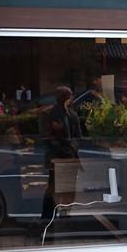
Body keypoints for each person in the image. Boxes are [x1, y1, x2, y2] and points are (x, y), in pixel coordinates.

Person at [38, 86, 83, 225]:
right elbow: (45, 137)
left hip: (71, 158)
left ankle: (65, 217)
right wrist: (61, 148)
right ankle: (47, 219)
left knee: (69, 189)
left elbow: (79, 137)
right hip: (56, 159)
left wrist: (72, 148)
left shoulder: (73, 115)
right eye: (69, 97)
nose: (71, 99)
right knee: (53, 188)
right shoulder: (47, 114)